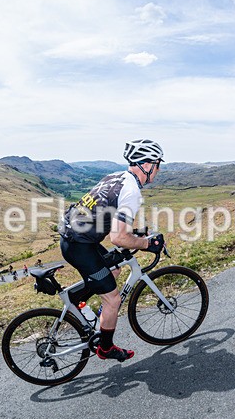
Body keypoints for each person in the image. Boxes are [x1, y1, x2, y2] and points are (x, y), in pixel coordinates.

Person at [59, 139, 166, 362]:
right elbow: (118, 237)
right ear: (147, 165)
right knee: (113, 300)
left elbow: (108, 219)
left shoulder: (116, 176)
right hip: (80, 246)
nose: (158, 170)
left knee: (114, 269)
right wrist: (147, 244)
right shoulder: (132, 191)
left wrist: (134, 235)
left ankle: (81, 301)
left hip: (77, 239)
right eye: (158, 164)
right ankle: (105, 349)